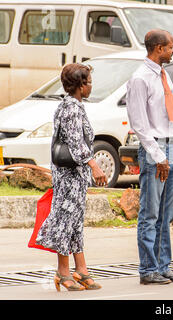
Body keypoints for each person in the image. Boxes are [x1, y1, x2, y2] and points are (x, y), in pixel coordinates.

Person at [126, 29, 173, 285]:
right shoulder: (140, 79)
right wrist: (158, 156)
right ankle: (148, 270)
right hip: (156, 151)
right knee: (150, 214)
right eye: (171, 46)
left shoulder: (165, 76)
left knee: (167, 215)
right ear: (159, 48)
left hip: (172, 148)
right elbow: (139, 124)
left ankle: (164, 266)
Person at [36, 63, 107, 291]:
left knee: (75, 223)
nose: (91, 86)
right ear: (80, 85)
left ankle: (81, 269)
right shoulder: (71, 109)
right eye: (89, 82)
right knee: (64, 222)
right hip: (68, 177)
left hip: (76, 177)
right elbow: (77, 145)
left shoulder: (72, 106)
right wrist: (95, 166)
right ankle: (63, 272)